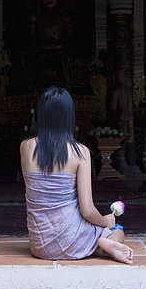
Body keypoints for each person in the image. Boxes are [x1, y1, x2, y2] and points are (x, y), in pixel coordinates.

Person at [20, 86, 134, 263]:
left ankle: (100, 245)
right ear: (69, 117)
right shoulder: (80, 152)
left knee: (92, 231)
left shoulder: (25, 147)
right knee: (118, 229)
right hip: (72, 238)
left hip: (40, 245)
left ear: (41, 113)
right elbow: (87, 210)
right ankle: (106, 243)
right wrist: (105, 222)